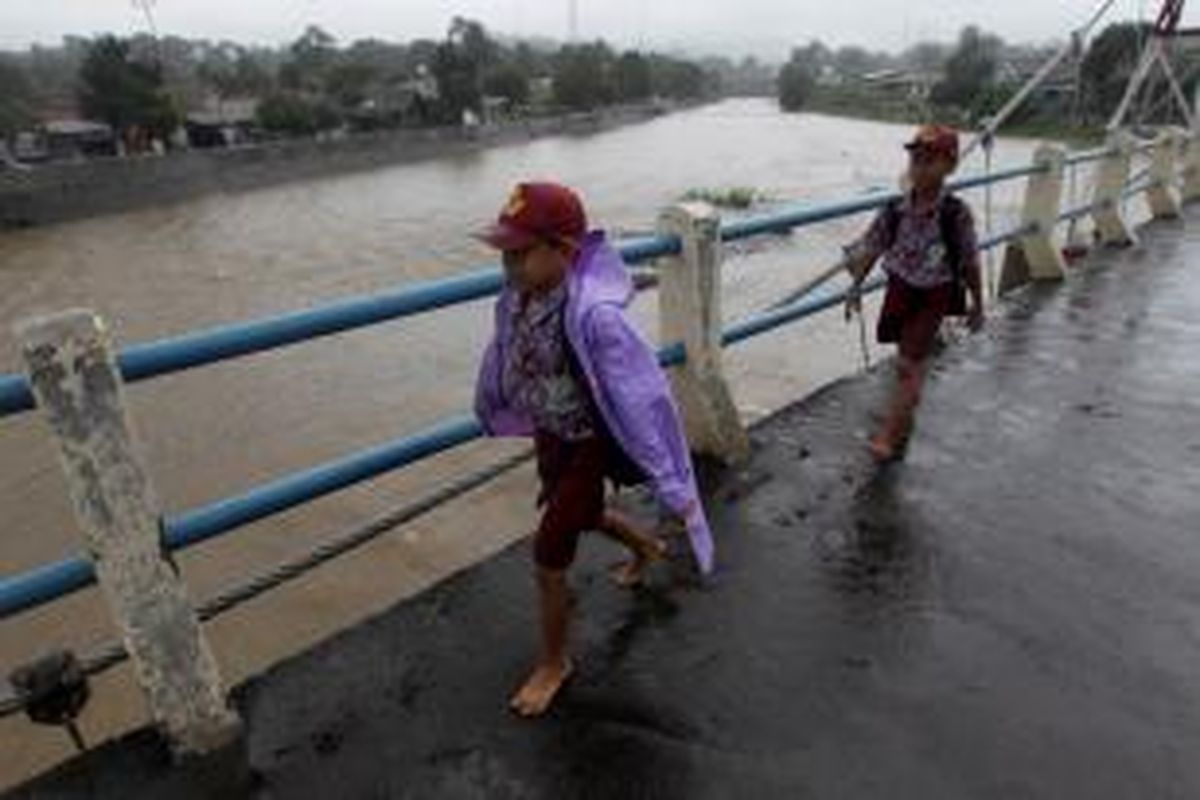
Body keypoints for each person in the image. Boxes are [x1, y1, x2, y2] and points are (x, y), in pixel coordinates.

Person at [474, 181, 715, 717]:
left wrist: (672, 483)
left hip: (589, 440)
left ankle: (554, 662)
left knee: (549, 549)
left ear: (564, 251)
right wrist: (490, 403)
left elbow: (643, 393)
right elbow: (504, 355)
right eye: (504, 254)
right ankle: (645, 547)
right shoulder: (516, 298)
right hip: (551, 432)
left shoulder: (593, 317)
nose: (508, 266)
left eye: (519, 253)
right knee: (579, 513)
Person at [845, 124, 985, 463]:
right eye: (916, 159)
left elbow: (969, 261)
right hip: (900, 288)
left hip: (934, 294)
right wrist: (855, 286)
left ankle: (889, 436)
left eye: (930, 160)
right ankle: (908, 407)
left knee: (908, 363)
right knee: (906, 360)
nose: (920, 167)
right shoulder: (894, 210)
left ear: (950, 166)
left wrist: (978, 303)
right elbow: (872, 247)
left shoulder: (956, 214)